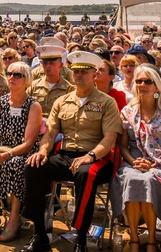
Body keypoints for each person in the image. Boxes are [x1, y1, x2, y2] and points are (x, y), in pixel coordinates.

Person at [22, 51, 122, 252]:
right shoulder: (63, 101)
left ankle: (81, 237)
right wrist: (43, 150)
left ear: (94, 74)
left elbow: (110, 138)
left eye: (84, 71)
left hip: (96, 157)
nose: (78, 75)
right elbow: (50, 132)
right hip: (67, 155)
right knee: (34, 167)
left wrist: (90, 156)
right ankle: (40, 234)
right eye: (76, 71)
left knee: (86, 173)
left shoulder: (107, 102)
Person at [112, 64, 161, 252]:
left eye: (147, 81)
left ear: (157, 86)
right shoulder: (128, 112)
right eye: (139, 81)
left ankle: (151, 240)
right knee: (132, 178)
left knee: (148, 180)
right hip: (132, 160)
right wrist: (134, 161)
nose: (142, 85)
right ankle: (133, 238)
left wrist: (152, 163)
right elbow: (123, 145)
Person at [0, 60, 41, 243]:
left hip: (21, 152)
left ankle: (14, 217)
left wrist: (7, 154)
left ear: (27, 80)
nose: (11, 78)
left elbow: (29, 143)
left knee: (16, 164)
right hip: (1, 149)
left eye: (17, 75)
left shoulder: (33, 105)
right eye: (9, 73)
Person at [28, 44, 72, 116]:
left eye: (52, 63)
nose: (47, 66)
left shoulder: (69, 89)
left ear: (60, 65)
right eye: (45, 63)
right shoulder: (34, 86)